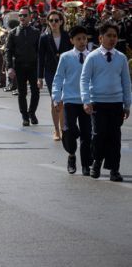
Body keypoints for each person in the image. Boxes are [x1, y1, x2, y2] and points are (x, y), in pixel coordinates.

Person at [80, 23, 131, 182]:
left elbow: (126, 82)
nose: (112, 39)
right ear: (100, 38)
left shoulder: (121, 58)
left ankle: (114, 169)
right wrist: (86, 100)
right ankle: (96, 162)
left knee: (115, 137)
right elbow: (84, 79)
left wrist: (127, 104)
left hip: (116, 103)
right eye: (108, 36)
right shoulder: (92, 57)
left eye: (115, 36)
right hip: (98, 103)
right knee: (99, 134)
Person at [51, 26, 92, 176]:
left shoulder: (92, 57)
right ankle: (71, 155)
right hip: (69, 100)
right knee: (68, 130)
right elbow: (58, 78)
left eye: (84, 38)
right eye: (78, 39)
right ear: (72, 41)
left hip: (86, 101)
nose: (82, 42)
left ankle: (87, 164)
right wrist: (56, 97)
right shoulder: (65, 57)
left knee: (87, 134)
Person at [38, 10, 72, 141]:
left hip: (65, 71)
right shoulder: (44, 37)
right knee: (55, 101)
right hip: (50, 72)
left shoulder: (67, 36)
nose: (54, 23)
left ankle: (63, 127)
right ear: (48, 22)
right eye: (51, 20)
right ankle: (56, 130)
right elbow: (40, 58)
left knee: (63, 101)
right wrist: (39, 78)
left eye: (56, 20)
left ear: (61, 22)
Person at [6, 7, 41, 127]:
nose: (22, 18)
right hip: (19, 67)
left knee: (35, 92)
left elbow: (40, 51)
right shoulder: (13, 33)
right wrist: (9, 67)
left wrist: (41, 68)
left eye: (25, 15)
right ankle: (25, 116)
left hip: (33, 66)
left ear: (30, 17)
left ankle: (32, 113)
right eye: (20, 15)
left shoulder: (36, 32)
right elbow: (8, 51)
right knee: (22, 93)